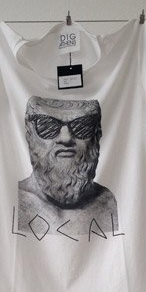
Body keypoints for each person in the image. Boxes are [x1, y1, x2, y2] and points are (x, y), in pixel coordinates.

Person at [17, 96, 119, 238]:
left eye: (81, 127)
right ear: (29, 134)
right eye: (47, 126)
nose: (66, 138)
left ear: (96, 135)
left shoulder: (108, 202)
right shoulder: (13, 200)